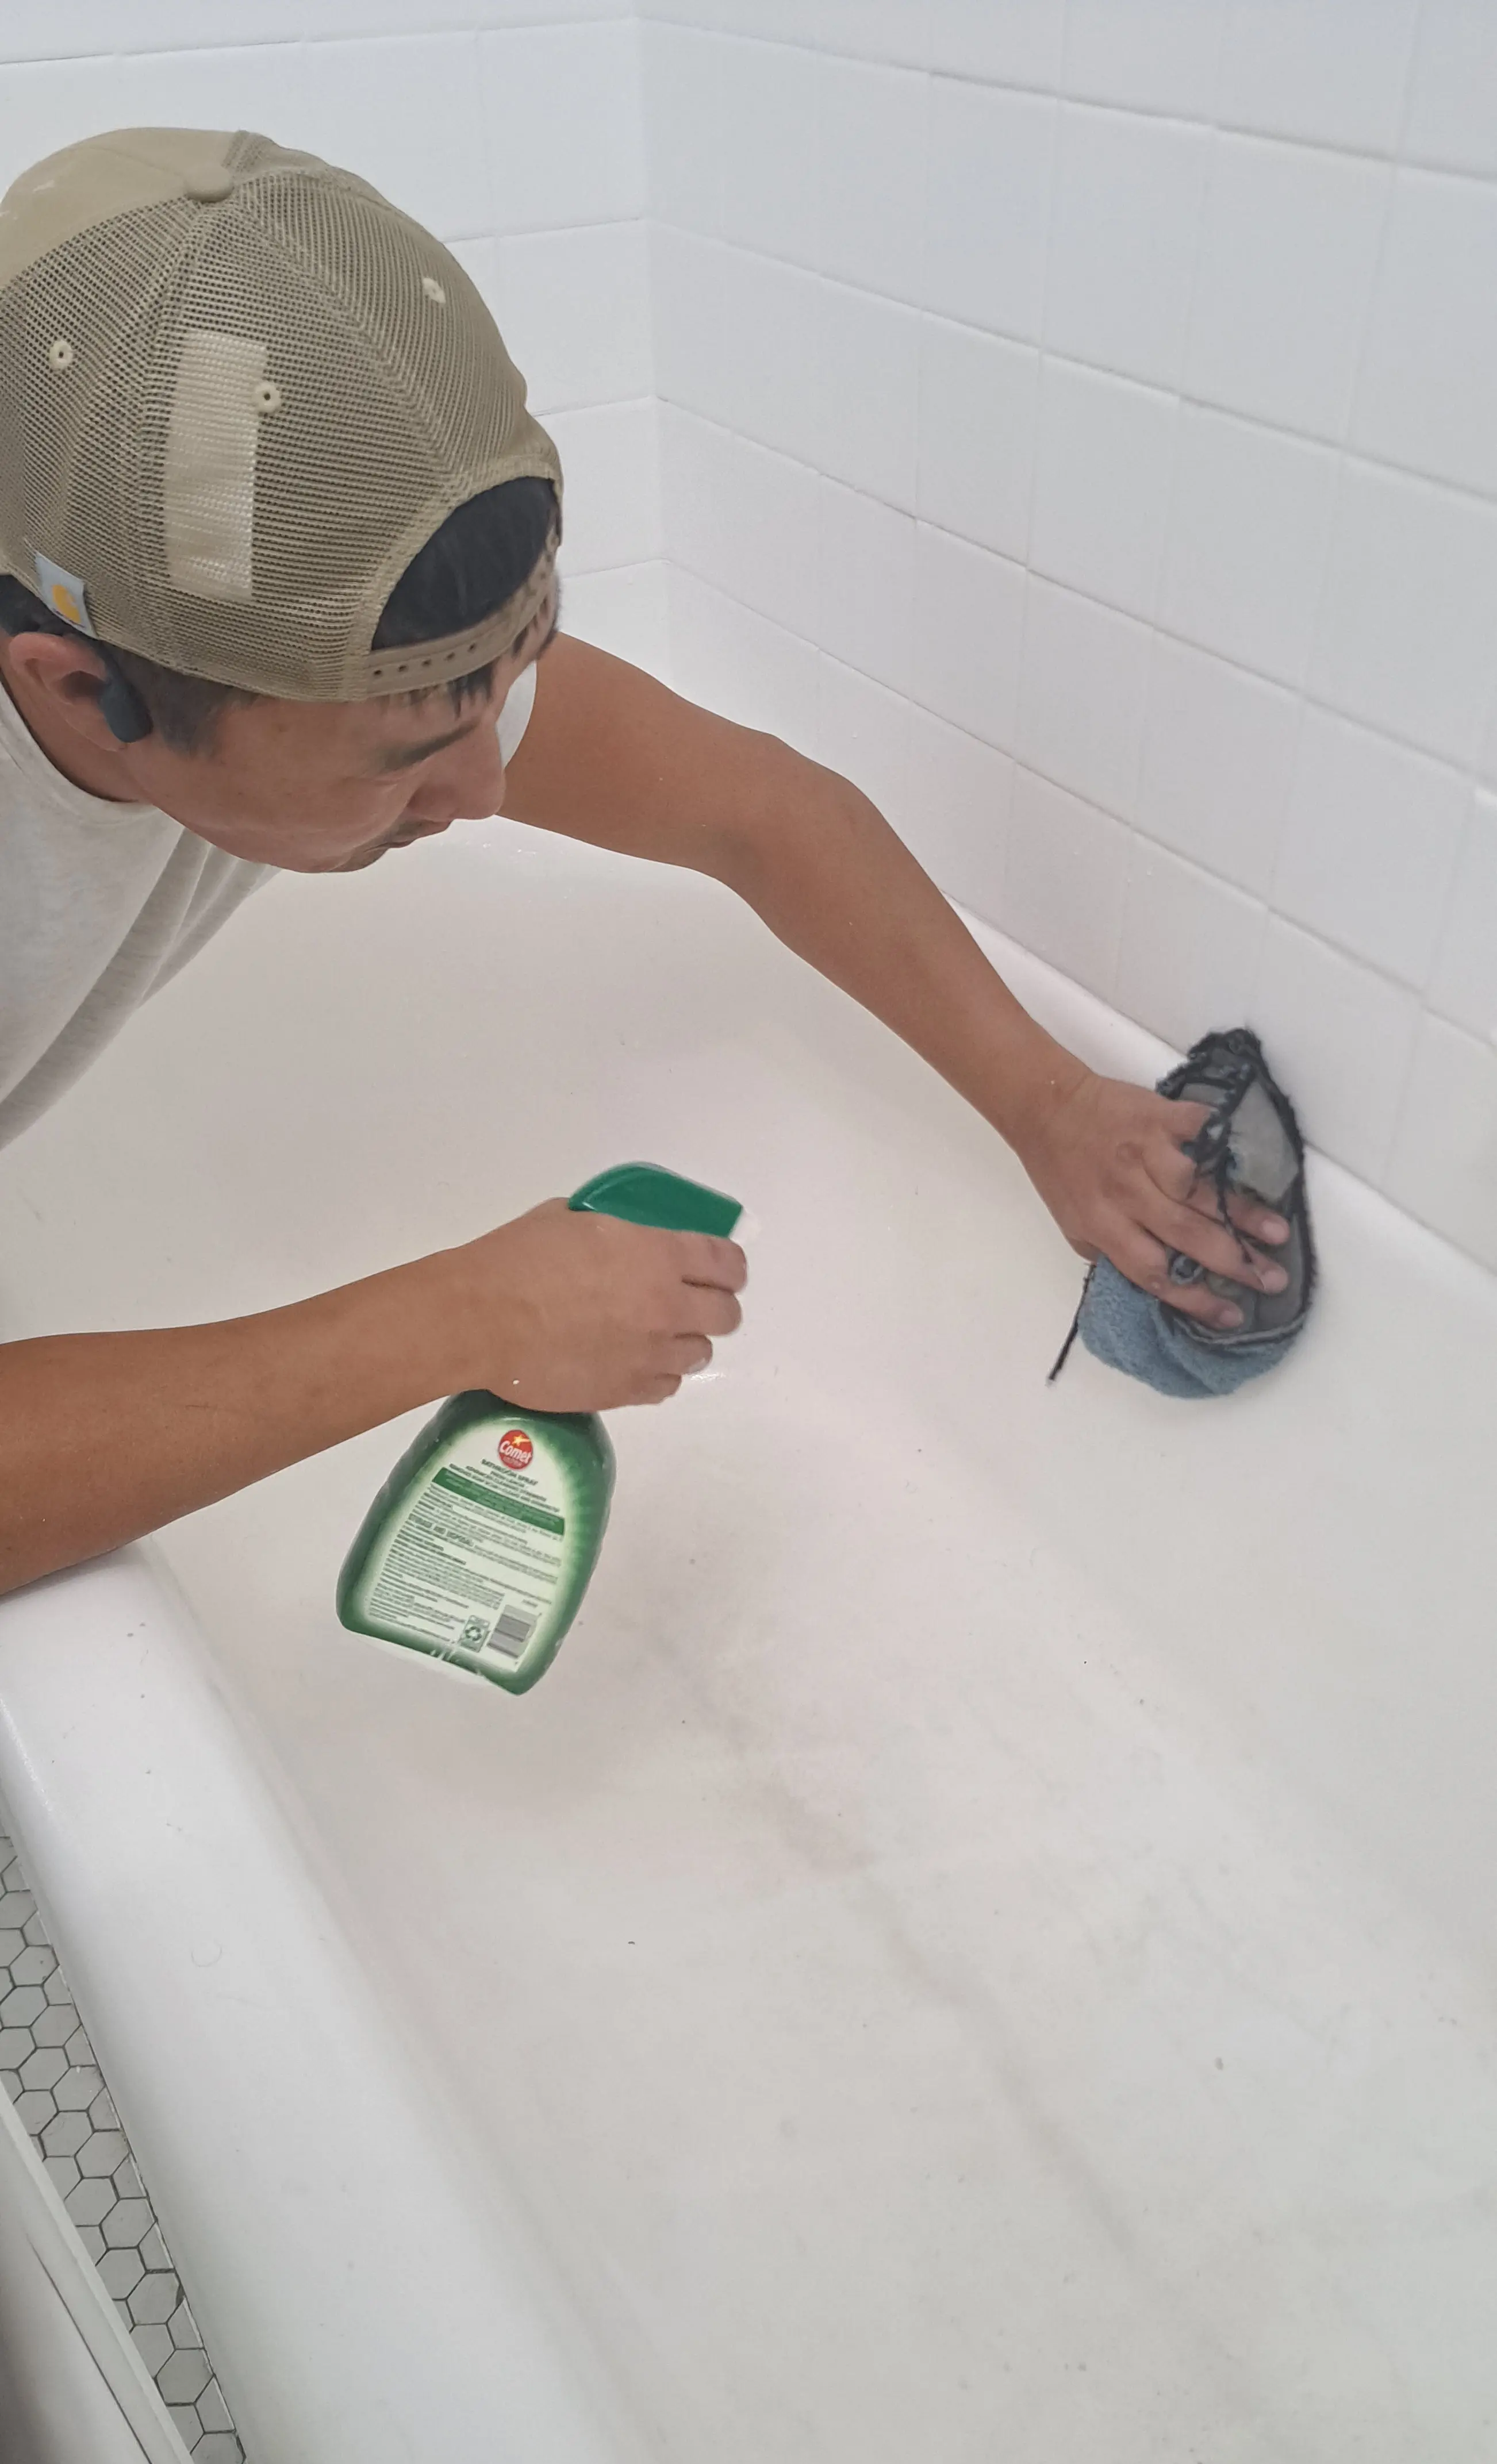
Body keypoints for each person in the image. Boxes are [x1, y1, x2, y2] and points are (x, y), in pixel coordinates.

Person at [0, 127, 1288, 1598]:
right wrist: (459, 1317)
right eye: (398, 763)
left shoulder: (278, 643)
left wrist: (1051, 1102)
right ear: (70, 688)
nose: (485, 788)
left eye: (504, 687)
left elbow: (753, 808)